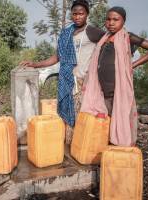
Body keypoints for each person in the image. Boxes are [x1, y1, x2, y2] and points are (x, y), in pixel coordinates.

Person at [20, 0, 105, 144]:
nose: (78, 17)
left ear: (87, 14)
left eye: (81, 14)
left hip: (84, 82)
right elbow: (57, 57)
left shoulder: (91, 31)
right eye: (75, 14)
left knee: (81, 116)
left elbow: (109, 41)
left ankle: (80, 146)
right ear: (71, 15)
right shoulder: (67, 33)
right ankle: (70, 145)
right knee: (67, 113)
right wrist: (36, 64)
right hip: (67, 79)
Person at [81, 6, 148, 147]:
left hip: (117, 88)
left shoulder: (127, 37)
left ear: (123, 21)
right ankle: (106, 149)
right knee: (106, 120)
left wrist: (132, 65)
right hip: (102, 89)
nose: (111, 23)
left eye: (116, 20)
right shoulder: (104, 39)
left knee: (120, 117)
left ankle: (120, 147)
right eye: (108, 19)